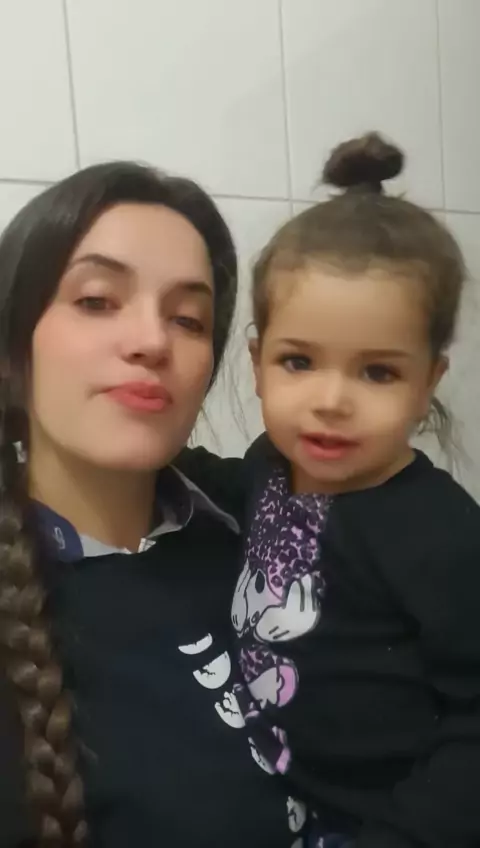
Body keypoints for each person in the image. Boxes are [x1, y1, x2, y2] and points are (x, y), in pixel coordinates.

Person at [179, 134, 480, 848]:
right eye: (299, 361)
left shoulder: (441, 534)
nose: (331, 401)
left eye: (377, 372)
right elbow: (223, 480)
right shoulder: (269, 468)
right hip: (282, 800)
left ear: (427, 382)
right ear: (258, 362)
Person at [0, 162, 307, 847]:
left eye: (188, 319)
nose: (152, 341)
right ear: (11, 346)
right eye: (96, 301)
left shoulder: (269, 523)